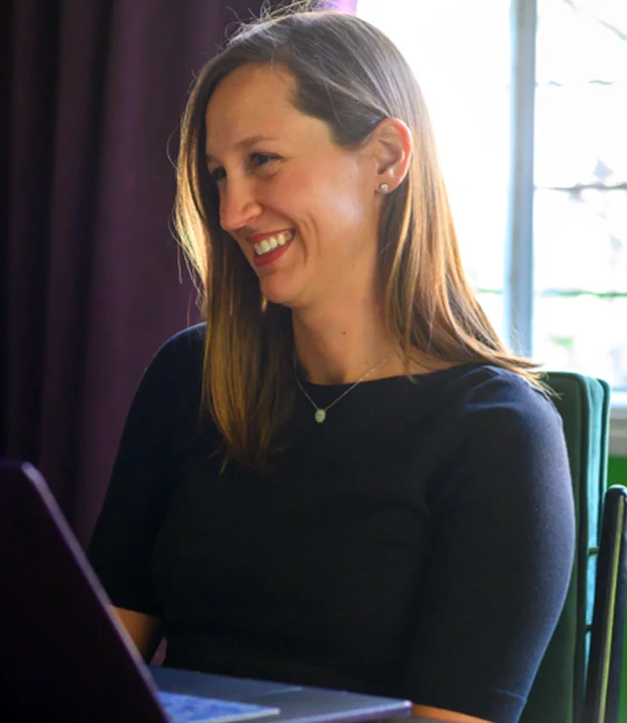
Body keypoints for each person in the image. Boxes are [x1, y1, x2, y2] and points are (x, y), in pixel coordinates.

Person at [87, 7, 575, 723]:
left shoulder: (499, 434)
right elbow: (94, 668)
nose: (230, 210)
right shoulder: (188, 377)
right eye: (217, 175)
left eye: (262, 161)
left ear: (385, 159)